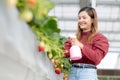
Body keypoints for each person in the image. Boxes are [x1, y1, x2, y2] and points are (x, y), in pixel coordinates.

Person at [63, 6, 109, 80]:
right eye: (79, 18)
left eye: (84, 18)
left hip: (88, 73)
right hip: (73, 71)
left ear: (92, 20)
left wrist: (80, 45)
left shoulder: (100, 38)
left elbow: (97, 58)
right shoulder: (74, 38)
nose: (81, 20)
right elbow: (63, 53)